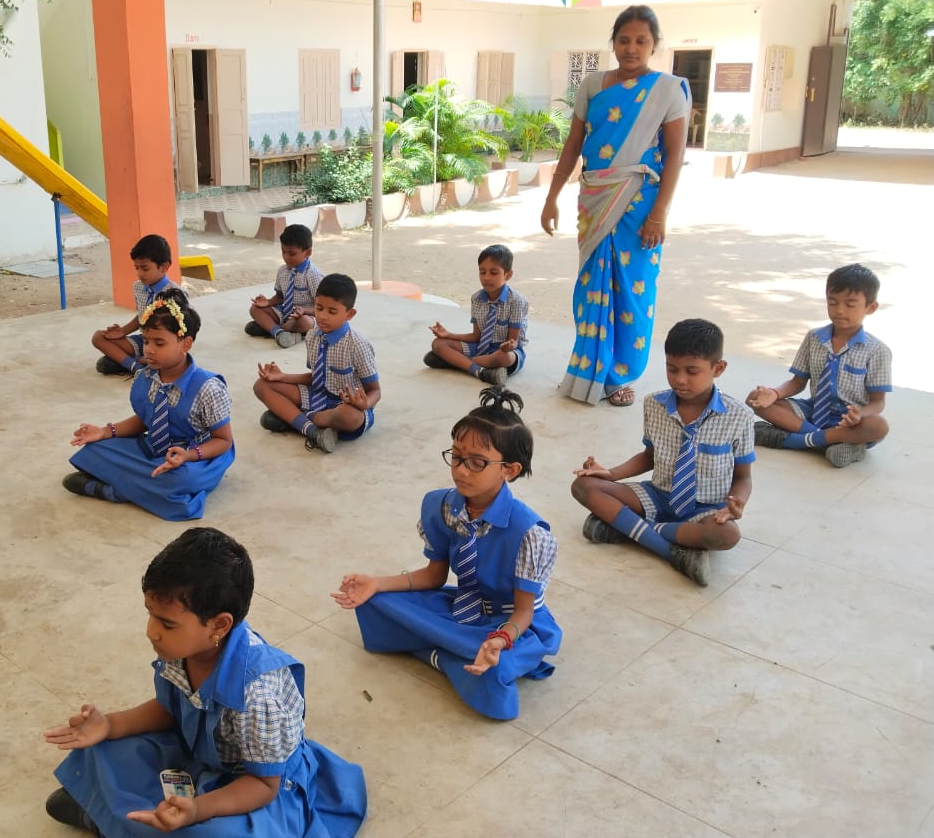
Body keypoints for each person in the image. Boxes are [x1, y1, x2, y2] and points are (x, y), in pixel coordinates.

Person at [44, 527, 368, 836]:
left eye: (167, 624)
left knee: (224, 833)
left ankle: (105, 819)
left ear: (219, 626)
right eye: (150, 614)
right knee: (101, 746)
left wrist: (197, 810)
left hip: (253, 783)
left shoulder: (258, 693)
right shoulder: (183, 648)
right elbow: (170, 710)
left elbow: (263, 786)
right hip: (197, 752)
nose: (151, 632)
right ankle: (121, 821)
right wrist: (110, 725)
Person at [332, 388, 559, 720]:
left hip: (509, 624)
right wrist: (377, 583)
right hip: (461, 605)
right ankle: (451, 655)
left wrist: (499, 640)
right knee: (374, 602)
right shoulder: (441, 506)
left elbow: (524, 612)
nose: (461, 471)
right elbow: (434, 576)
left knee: (495, 672)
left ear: (509, 470)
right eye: (456, 456)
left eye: (477, 463)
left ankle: (435, 649)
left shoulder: (529, 533)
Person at [541, 4, 691, 407]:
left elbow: (675, 156)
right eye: (624, 40)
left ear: (654, 45)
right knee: (591, 286)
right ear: (613, 42)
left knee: (634, 291)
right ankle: (589, 368)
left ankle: (620, 375)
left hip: (640, 204)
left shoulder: (667, 90)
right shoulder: (593, 85)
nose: (631, 48)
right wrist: (551, 197)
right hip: (594, 199)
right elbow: (573, 144)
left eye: (641, 41)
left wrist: (660, 214)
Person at [571, 319, 753, 587]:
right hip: (657, 496)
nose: (680, 379)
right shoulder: (654, 404)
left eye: (692, 371)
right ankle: (673, 552)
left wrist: (736, 504)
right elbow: (649, 456)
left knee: (727, 535)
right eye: (672, 368)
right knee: (583, 485)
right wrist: (610, 474)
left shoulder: (739, 416)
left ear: (718, 368)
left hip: (704, 509)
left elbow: (744, 477)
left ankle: (628, 529)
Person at [66, 289, 234, 521]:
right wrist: (104, 432)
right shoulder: (147, 375)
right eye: (145, 341)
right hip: (155, 447)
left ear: (185, 344)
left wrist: (188, 456)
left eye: (159, 343)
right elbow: (147, 420)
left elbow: (223, 441)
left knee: (181, 479)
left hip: (197, 456)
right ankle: (146, 489)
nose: (149, 350)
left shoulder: (208, 388)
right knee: (94, 448)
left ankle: (113, 491)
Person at [746, 263, 891, 468]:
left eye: (850, 304)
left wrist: (859, 414)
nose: (839, 310)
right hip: (813, 412)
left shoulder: (877, 350)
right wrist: (774, 394)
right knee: (755, 398)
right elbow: (797, 382)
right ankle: (828, 442)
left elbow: (878, 403)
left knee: (878, 426)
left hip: (849, 422)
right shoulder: (814, 337)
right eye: (832, 302)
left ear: (871, 307)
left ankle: (792, 440)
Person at [253, 273, 380, 455]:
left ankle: (295, 419)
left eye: (332, 312)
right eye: (319, 308)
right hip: (317, 395)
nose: (323, 316)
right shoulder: (313, 335)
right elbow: (315, 377)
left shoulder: (357, 345)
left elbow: (375, 390)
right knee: (262, 385)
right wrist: (282, 377)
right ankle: (314, 431)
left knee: (350, 417)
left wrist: (364, 404)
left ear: (350, 314)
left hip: (344, 406)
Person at [424, 243, 528, 386]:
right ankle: (482, 371)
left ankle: (455, 362)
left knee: (504, 358)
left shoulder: (516, 301)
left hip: (503, 352)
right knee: (438, 344)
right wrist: (448, 334)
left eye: (494, 273)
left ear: (508, 275)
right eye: (482, 272)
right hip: (480, 348)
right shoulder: (477, 298)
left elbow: (514, 341)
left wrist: (508, 346)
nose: (486, 277)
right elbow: (476, 337)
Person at [93, 234, 184, 376]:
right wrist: (123, 331)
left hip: (164, 344)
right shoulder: (138, 287)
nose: (140, 273)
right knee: (99, 337)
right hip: (143, 341)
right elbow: (142, 315)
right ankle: (136, 366)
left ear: (164, 267)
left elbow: (181, 331)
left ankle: (133, 362)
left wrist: (156, 349)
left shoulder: (175, 293)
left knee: (106, 364)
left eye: (145, 268)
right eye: (137, 268)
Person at [244, 224, 322, 348]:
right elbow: (280, 297)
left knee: (305, 322)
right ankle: (280, 333)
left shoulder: (313, 275)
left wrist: (304, 311)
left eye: (292, 254)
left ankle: (270, 328)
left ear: (308, 252)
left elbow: (322, 307)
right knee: (254, 309)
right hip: (285, 313)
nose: (286, 257)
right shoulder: (282, 271)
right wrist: (268, 302)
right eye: (283, 252)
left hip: (304, 316)